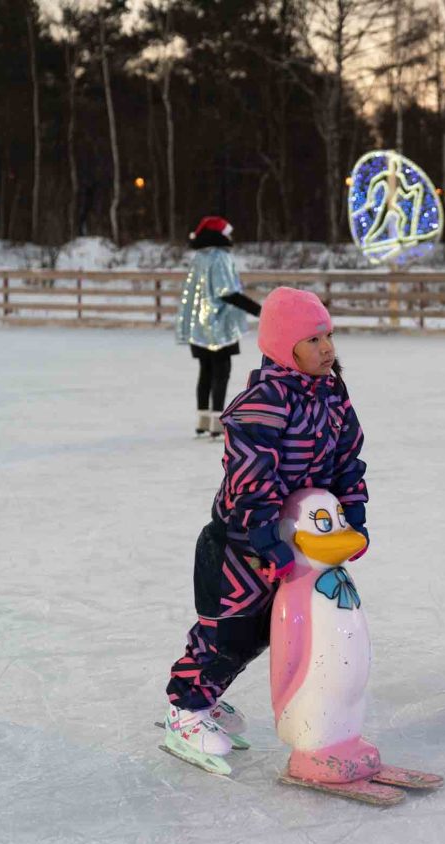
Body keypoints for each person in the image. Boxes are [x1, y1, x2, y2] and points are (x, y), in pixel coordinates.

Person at [161, 286, 370, 768]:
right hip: (240, 547)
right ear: (283, 346)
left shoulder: (331, 395)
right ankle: (185, 707)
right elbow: (252, 479)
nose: (327, 349)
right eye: (314, 339)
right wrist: (264, 539)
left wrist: (351, 515)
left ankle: (205, 695)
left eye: (329, 336)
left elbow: (346, 461)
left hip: (295, 543)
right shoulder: (264, 401)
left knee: (264, 633)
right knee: (227, 632)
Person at [174, 216, 262, 438]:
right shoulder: (220, 257)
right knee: (221, 372)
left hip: (199, 327)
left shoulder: (200, 257)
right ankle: (216, 421)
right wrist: (259, 310)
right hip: (219, 326)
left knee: (205, 371)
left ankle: (203, 419)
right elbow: (227, 292)